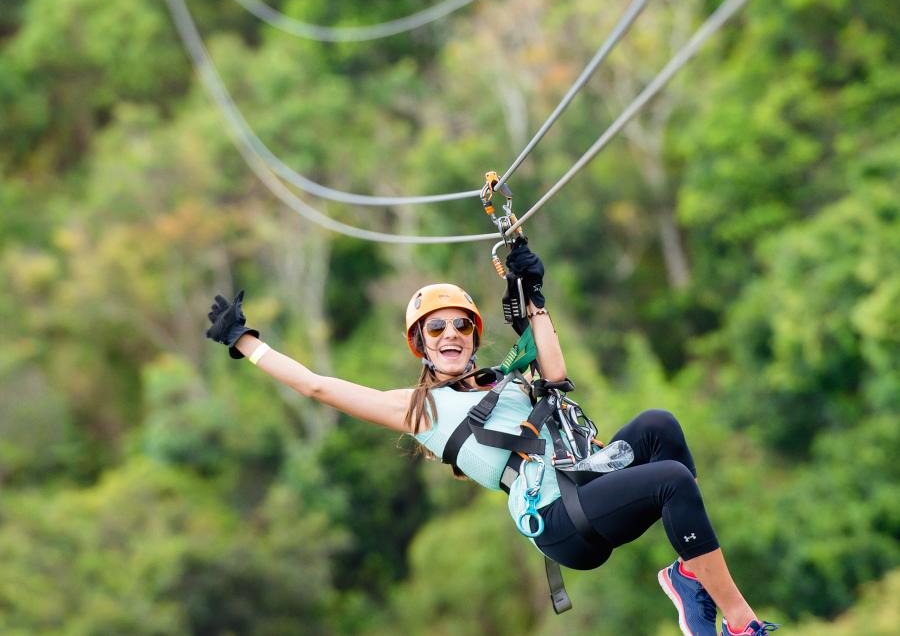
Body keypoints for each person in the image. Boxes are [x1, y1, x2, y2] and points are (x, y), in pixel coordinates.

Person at [205, 239, 778, 636]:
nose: (451, 333)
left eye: (460, 325)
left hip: (586, 480)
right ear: (421, 344)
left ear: (473, 337)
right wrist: (245, 342)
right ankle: (738, 622)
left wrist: (534, 294)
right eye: (437, 328)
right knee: (672, 482)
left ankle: (688, 577)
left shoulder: (507, 379)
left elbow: (555, 374)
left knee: (659, 426)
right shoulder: (420, 410)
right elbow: (318, 387)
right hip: (562, 521)